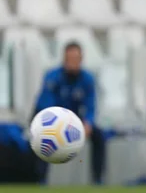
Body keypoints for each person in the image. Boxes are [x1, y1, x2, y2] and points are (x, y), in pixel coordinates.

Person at [33, 42, 106, 185]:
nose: (73, 63)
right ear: (64, 59)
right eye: (70, 59)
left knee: (99, 136)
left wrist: (88, 123)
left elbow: (90, 106)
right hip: (52, 119)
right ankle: (40, 179)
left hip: (74, 119)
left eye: (76, 59)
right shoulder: (52, 77)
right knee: (43, 136)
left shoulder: (87, 79)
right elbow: (46, 104)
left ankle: (98, 179)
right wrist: (58, 124)